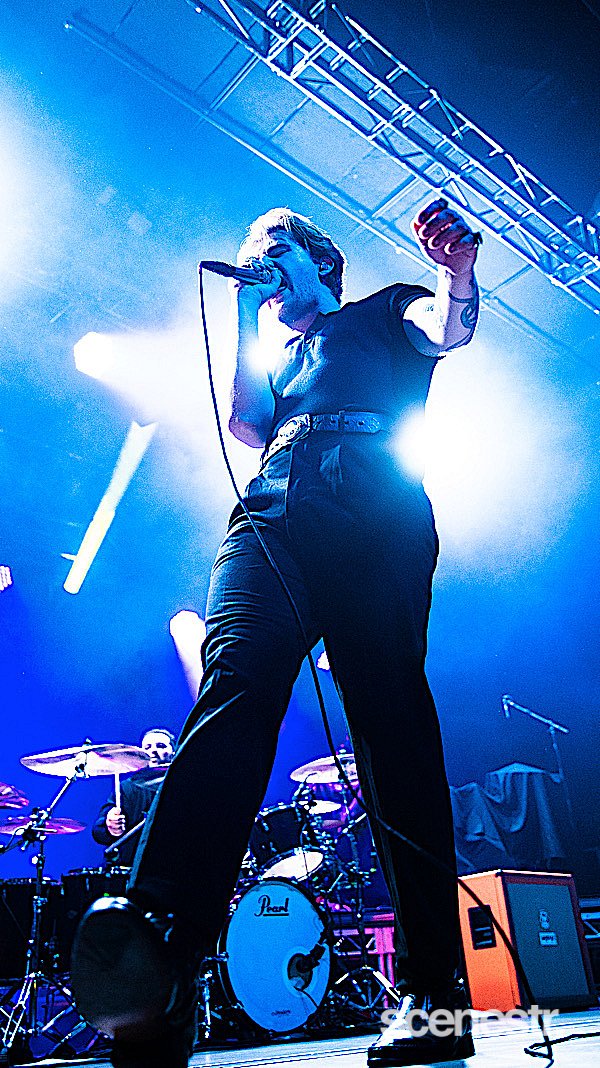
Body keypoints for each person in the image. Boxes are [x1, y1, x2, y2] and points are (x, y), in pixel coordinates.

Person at [71, 197, 480, 1068]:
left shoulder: (384, 310)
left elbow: (447, 328)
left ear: (320, 262)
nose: (258, 258)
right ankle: (159, 964)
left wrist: (456, 274)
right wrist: (244, 318)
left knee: (392, 727)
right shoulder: (276, 356)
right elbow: (247, 426)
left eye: (275, 247)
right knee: (236, 688)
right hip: (271, 512)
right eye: (251, 249)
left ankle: (437, 995)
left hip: (374, 505)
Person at [92, 729, 176, 866]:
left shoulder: (183, 784)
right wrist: (110, 826)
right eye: (147, 747)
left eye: (160, 746)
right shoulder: (127, 787)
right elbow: (98, 832)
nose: (153, 751)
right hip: (131, 866)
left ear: (174, 752)